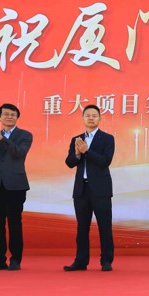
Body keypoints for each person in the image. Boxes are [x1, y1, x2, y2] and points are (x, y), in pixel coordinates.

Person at [0, 103, 32, 271]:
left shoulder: (25, 135)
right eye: (6, 114)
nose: (9, 117)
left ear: (17, 118)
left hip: (15, 186)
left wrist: (2, 138)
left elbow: (19, 153)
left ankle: (15, 259)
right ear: (0, 117)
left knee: (14, 223)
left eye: (13, 114)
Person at [64, 105, 115, 272]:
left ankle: (106, 260)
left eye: (94, 115)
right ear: (83, 118)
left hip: (101, 189)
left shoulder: (107, 139)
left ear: (100, 118)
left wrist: (87, 151)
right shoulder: (76, 139)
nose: (91, 118)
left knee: (104, 226)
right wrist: (77, 154)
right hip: (81, 189)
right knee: (82, 227)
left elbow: (105, 161)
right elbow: (69, 162)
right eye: (88, 115)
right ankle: (80, 261)